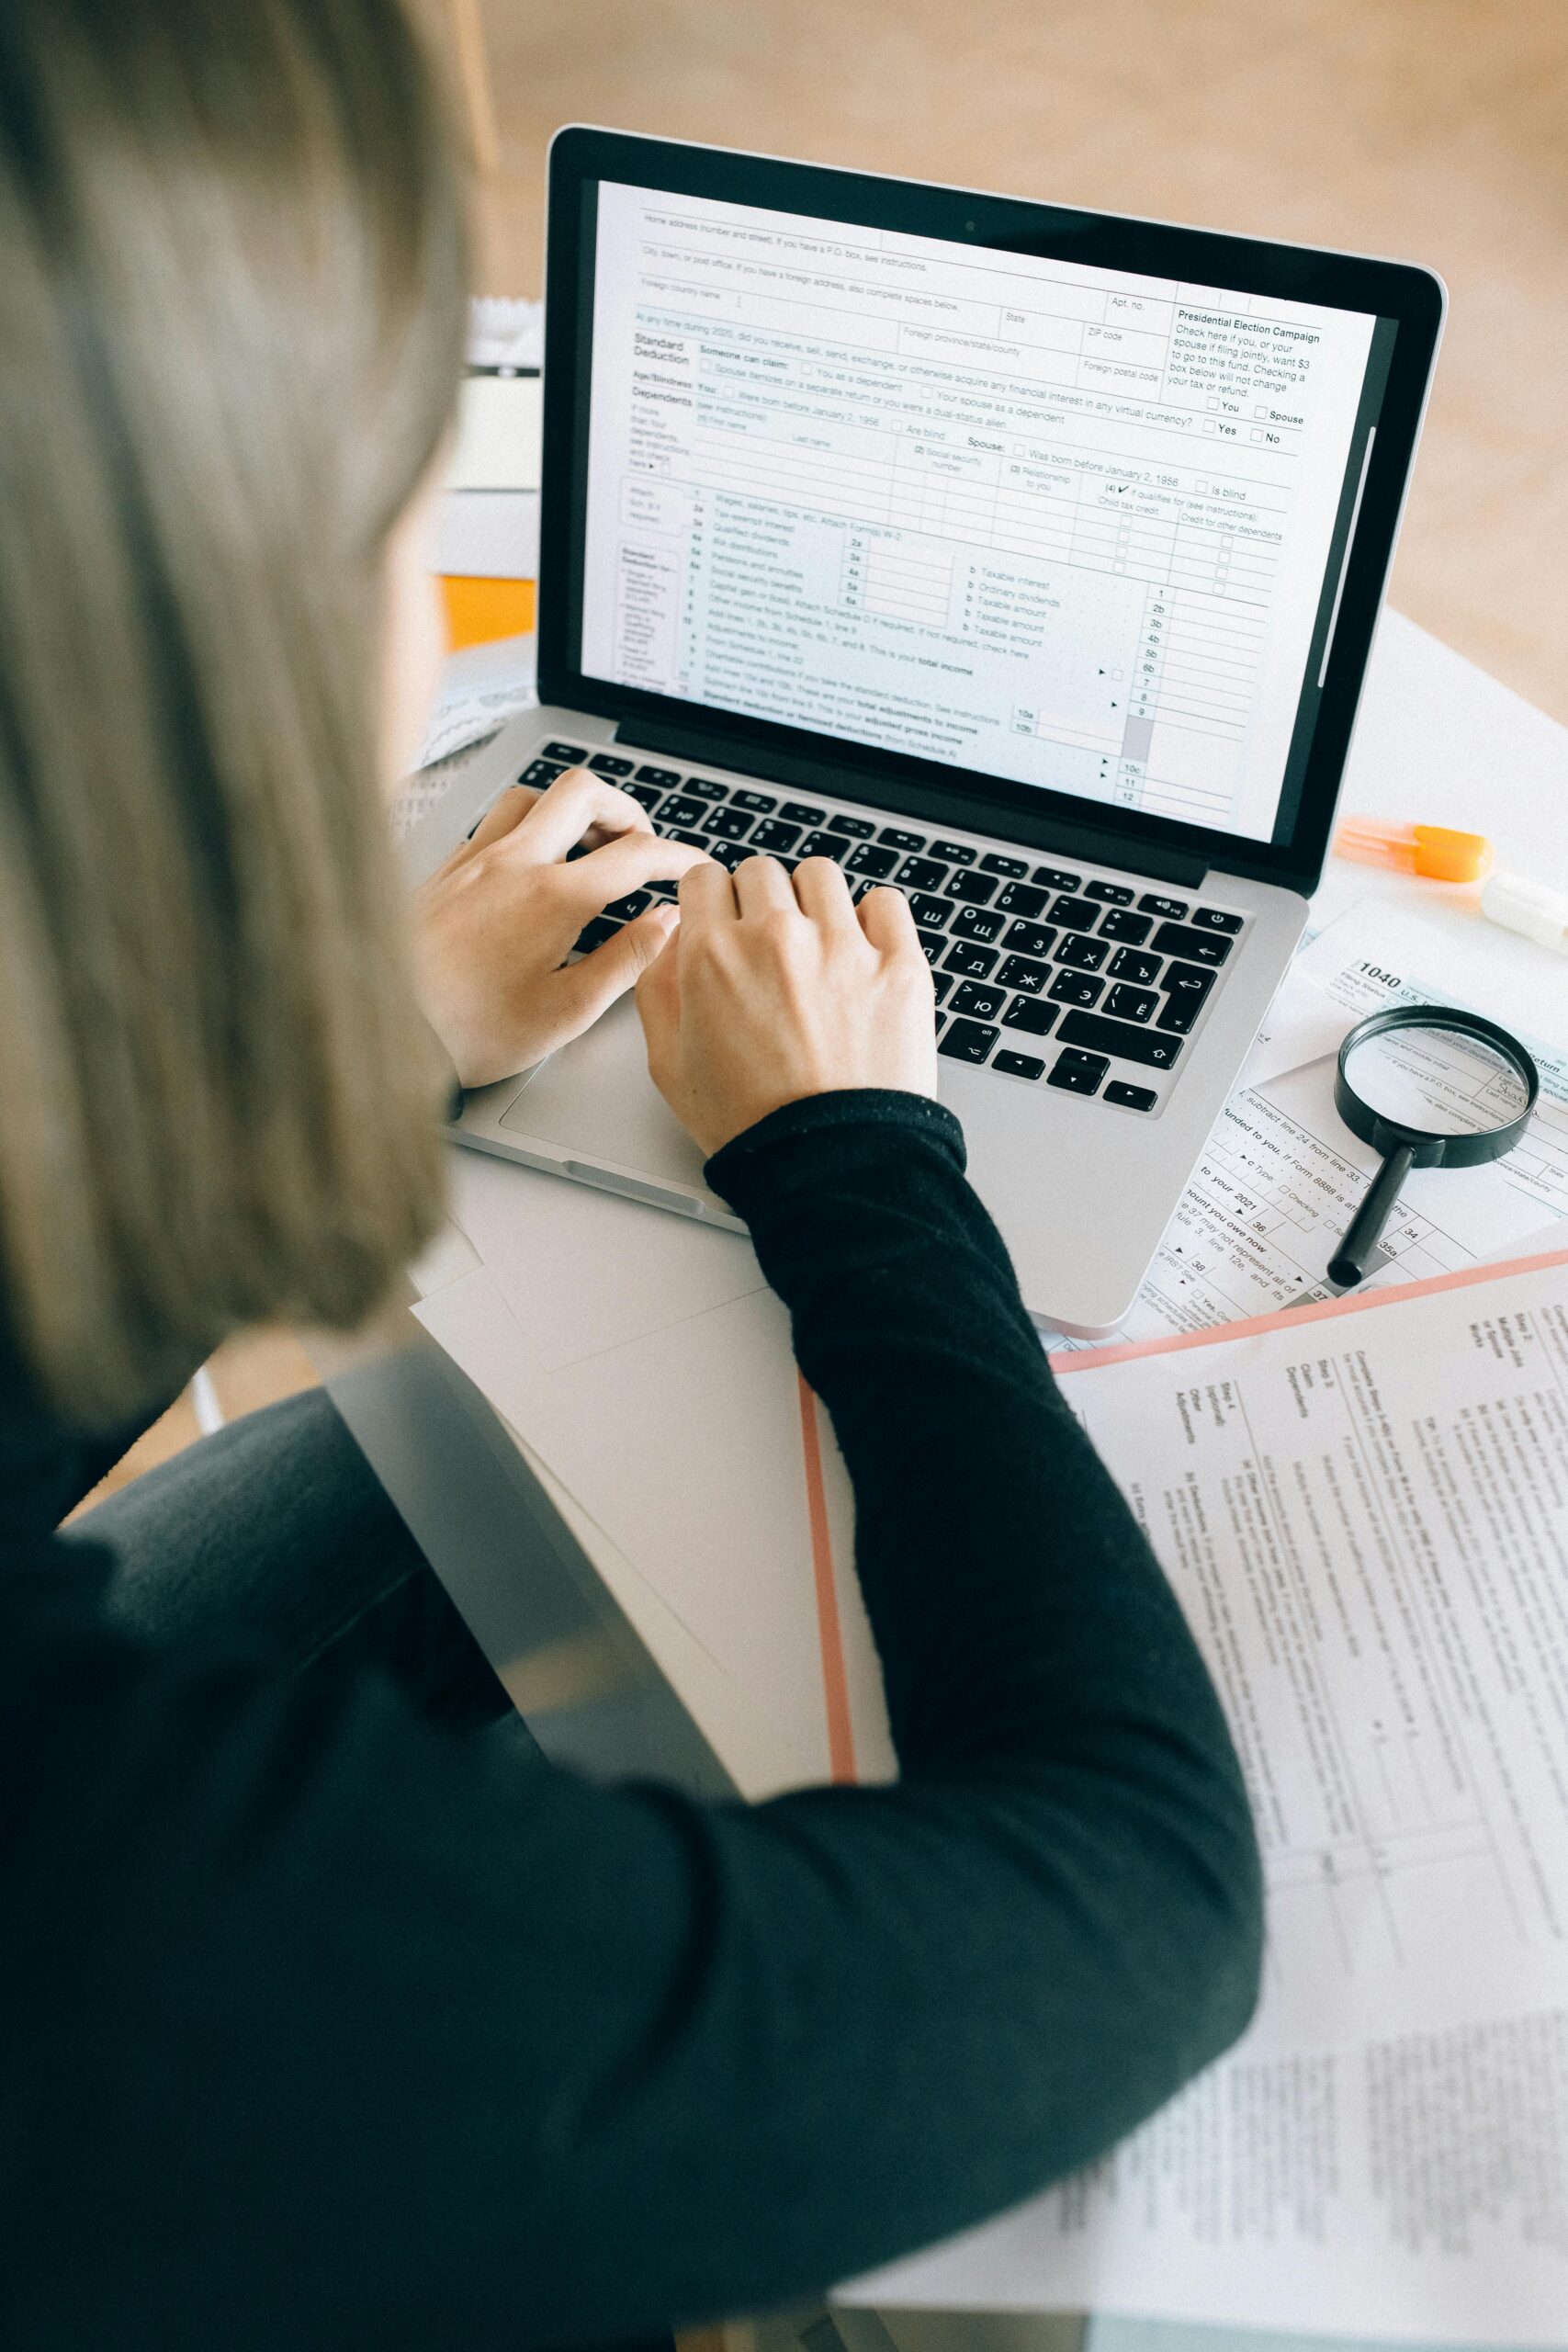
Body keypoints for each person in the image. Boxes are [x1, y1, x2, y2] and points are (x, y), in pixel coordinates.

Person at [0, 2, 1263, 2345]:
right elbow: (1141, 1910)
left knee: (412, 1474)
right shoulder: (123, 1919)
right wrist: (860, 1154)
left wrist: (372, 1033)